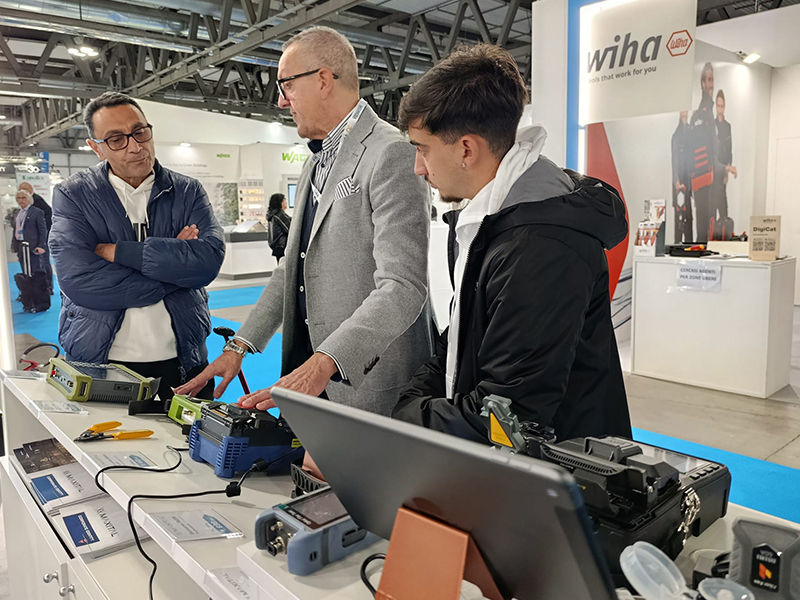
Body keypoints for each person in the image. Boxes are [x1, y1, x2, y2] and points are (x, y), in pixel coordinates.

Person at [177, 26, 433, 417]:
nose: (282, 101)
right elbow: (292, 269)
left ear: (323, 80)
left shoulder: (390, 153)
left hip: (366, 383)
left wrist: (326, 361)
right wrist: (239, 346)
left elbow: (403, 286)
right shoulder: (316, 161)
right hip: (307, 375)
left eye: (287, 86)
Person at [391, 44, 632, 444]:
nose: (418, 168)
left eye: (422, 149)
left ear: (466, 149)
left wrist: (407, 417)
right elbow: (464, 335)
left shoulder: (539, 247)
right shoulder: (496, 220)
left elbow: (510, 416)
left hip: (561, 470)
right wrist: (414, 401)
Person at [49, 91, 225, 401]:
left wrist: (118, 253)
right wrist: (174, 268)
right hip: (101, 362)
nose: (135, 146)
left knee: (191, 434)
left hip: (185, 359)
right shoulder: (74, 195)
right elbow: (79, 281)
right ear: (96, 148)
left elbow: (207, 262)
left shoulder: (187, 191)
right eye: (116, 139)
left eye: (140, 132)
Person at [12, 189, 49, 313]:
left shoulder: (37, 212)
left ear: (29, 199)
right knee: (25, 274)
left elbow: (43, 230)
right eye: (18, 198)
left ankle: (38, 300)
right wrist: (14, 244)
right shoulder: (17, 213)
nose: (20, 200)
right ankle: (28, 297)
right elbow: (15, 230)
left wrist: (41, 245)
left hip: (33, 247)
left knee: (35, 273)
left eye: (23, 198)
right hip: (21, 246)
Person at [18, 181, 54, 293]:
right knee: (30, 264)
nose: (21, 196)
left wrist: (43, 234)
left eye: (24, 191)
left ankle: (48, 286)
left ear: (30, 190)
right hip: (28, 240)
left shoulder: (37, 201)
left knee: (43, 262)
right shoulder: (22, 208)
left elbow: (47, 217)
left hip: (41, 238)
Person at [711, 89, 737, 232]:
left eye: (722, 106)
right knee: (712, 208)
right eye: (718, 106)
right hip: (713, 171)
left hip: (723, 173)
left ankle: (723, 234)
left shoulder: (727, 126)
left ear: (724, 107)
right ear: (716, 107)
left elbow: (729, 150)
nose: (720, 109)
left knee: (723, 206)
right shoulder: (711, 125)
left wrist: (727, 171)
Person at [671, 111, 693, 244]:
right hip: (679, 183)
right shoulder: (676, 135)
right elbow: (674, 160)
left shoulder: (691, 132)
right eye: (682, 111)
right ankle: (677, 245)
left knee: (689, 217)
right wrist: (677, 182)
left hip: (689, 181)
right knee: (679, 217)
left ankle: (690, 244)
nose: (684, 114)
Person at [266, 192, 291, 260]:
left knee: (281, 265)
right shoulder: (279, 215)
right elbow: (290, 229)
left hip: (277, 247)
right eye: (284, 200)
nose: (286, 202)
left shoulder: (272, 215)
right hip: (283, 246)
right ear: (280, 202)